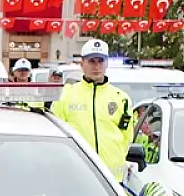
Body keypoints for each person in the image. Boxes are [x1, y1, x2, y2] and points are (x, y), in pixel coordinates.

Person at [50, 39, 135, 181]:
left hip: (113, 178)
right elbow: (56, 135)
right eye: (92, 61)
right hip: (77, 175)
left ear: (107, 63)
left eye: (101, 61)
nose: (97, 66)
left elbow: (127, 137)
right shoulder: (66, 95)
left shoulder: (121, 98)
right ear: (82, 63)